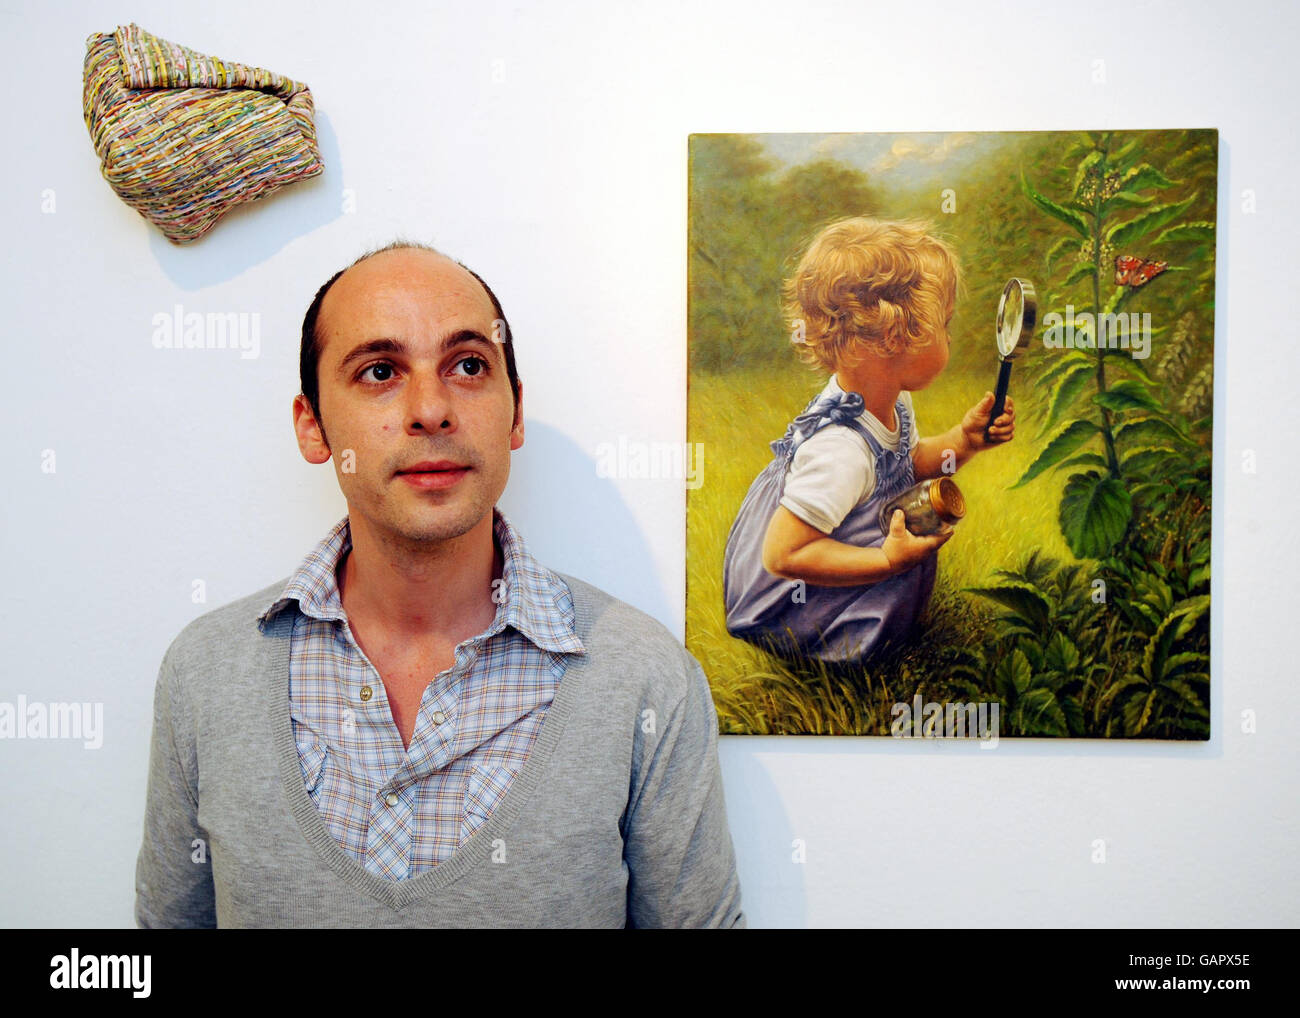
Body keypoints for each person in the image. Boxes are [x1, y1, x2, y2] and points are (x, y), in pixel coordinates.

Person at [135, 241, 746, 928]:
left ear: (514, 413)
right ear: (313, 427)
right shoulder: (206, 672)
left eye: (467, 365)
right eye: (379, 371)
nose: (431, 409)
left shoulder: (644, 679)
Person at [722, 217, 1015, 665]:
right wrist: (884, 563)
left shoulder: (888, 402)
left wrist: (965, 441)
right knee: (900, 555)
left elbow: (908, 464)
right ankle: (835, 651)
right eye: (945, 325)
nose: (952, 338)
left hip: (823, 551)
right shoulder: (841, 450)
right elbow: (784, 554)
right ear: (897, 338)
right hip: (786, 605)